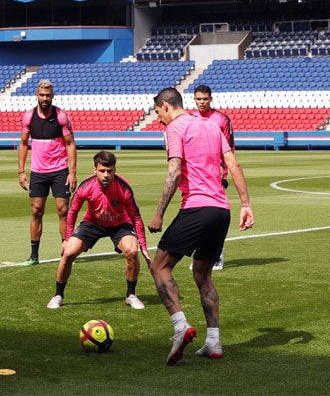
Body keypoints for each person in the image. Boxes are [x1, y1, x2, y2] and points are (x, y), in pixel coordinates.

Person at [148, 88, 254, 365]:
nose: (158, 118)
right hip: (221, 210)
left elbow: (175, 171)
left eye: (158, 112)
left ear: (166, 106)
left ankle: (180, 326)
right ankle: (213, 341)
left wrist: (159, 214)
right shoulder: (211, 125)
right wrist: (246, 204)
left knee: (159, 266)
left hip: (197, 207)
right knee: (202, 274)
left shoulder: (175, 128)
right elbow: (233, 163)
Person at [46, 150, 150, 310]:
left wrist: (143, 247)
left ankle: (131, 295)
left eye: (110, 171)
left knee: (132, 252)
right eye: (102, 171)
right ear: (95, 170)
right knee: (68, 253)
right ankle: (58, 295)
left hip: (119, 224)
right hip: (92, 223)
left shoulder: (124, 189)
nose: (106, 175)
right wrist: (67, 239)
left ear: (115, 170)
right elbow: (72, 211)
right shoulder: (86, 186)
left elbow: (136, 217)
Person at [18, 79, 77, 265]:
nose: (45, 98)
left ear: (52, 96)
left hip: (60, 170)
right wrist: (21, 171)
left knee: (63, 210)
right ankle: (34, 256)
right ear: (37, 95)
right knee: (36, 211)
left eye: (48, 95)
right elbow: (23, 144)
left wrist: (72, 172)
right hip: (38, 172)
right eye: (42, 95)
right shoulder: (28, 117)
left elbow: (70, 144)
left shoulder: (61, 116)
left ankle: (67, 251)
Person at [189, 84, 235, 271]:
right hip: (194, 177)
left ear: (211, 99)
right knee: (197, 218)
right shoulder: (189, 118)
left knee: (214, 219)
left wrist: (224, 175)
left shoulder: (222, 119)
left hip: (214, 176)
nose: (202, 102)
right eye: (199, 99)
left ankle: (216, 258)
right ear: (194, 99)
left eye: (205, 99)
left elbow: (229, 149)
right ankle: (200, 258)